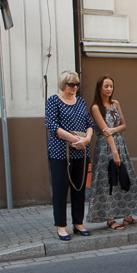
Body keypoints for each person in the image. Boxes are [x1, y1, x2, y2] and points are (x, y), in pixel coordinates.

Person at [43, 72, 94, 241]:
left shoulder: (80, 101)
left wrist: (86, 139)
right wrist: (74, 139)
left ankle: (78, 223)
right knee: (60, 189)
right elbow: (52, 125)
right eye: (71, 84)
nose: (75, 87)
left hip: (81, 150)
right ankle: (61, 226)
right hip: (60, 152)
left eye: (77, 84)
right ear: (63, 84)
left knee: (79, 188)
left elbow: (89, 123)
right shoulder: (54, 100)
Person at [88, 76, 137, 231]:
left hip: (120, 144)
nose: (109, 89)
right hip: (106, 147)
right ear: (100, 88)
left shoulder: (115, 103)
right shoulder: (96, 107)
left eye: (111, 86)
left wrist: (113, 129)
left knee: (128, 178)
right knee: (108, 182)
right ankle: (110, 219)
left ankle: (128, 216)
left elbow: (123, 126)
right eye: (106, 86)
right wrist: (114, 152)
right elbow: (105, 132)